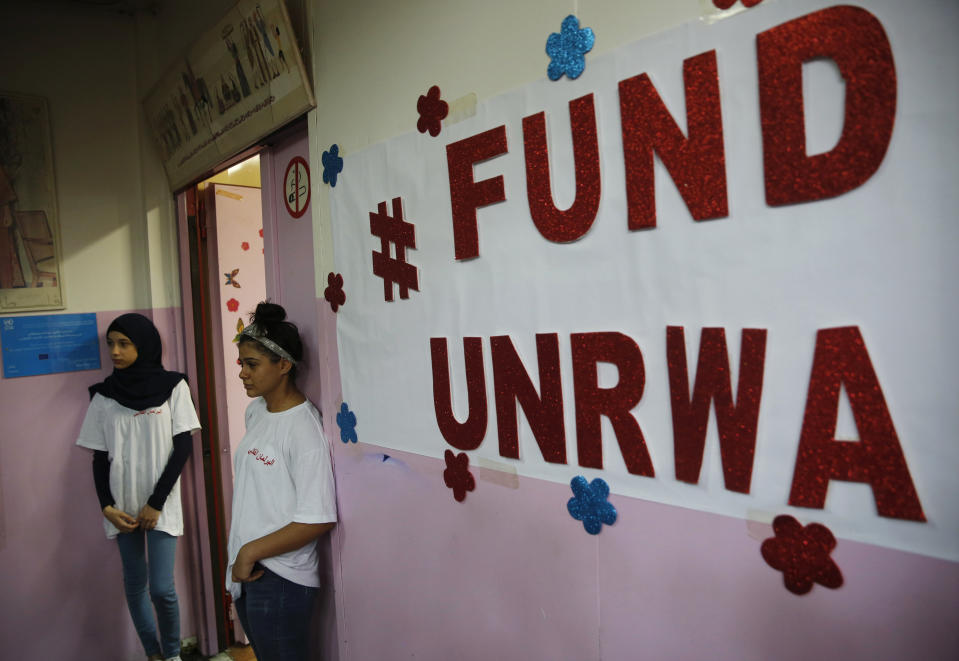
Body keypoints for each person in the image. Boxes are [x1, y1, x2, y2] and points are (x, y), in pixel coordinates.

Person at [76, 313, 200, 661]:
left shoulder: (174, 387)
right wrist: (107, 507)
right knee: (135, 586)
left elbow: (183, 447)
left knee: (162, 589)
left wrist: (156, 503)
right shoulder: (103, 396)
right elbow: (99, 459)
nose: (114, 351)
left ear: (143, 345)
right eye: (110, 344)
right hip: (122, 509)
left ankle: (173, 654)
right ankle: (154, 654)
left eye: (123, 343)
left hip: (159, 505)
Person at [227, 302, 337, 660]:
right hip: (250, 573)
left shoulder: (304, 430)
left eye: (252, 364)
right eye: (241, 362)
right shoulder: (256, 411)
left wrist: (249, 552)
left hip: (282, 579)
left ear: (284, 365)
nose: (242, 373)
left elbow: (318, 517)